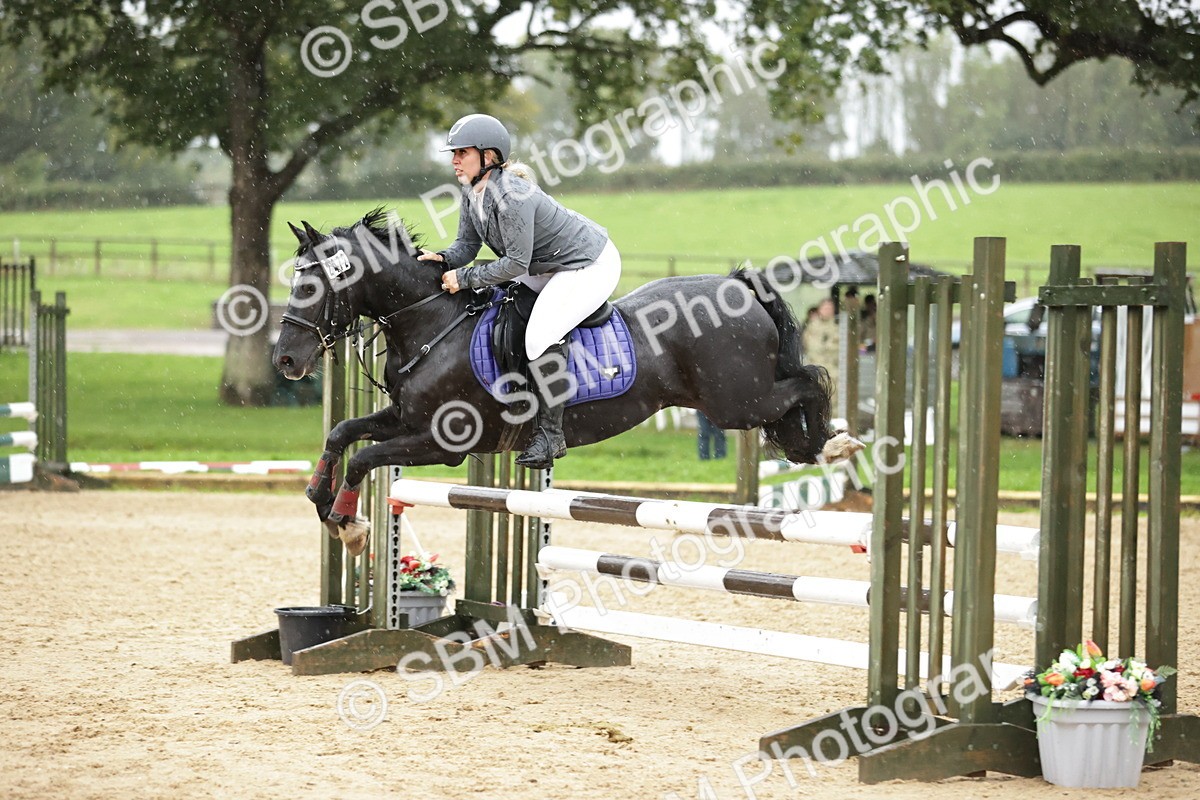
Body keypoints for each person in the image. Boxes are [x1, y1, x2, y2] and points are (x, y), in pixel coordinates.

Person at [417, 114, 622, 469]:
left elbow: (514, 264)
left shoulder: (511, 194)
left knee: (540, 334)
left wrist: (464, 280)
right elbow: (466, 246)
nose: (453, 160)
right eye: (454, 153)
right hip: (544, 267)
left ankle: (551, 436)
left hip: (588, 264)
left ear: (488, 156)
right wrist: (442, 258)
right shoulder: (473, 193)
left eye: (461, 152)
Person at [802, 296, 840, 404]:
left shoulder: (837, 327)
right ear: (819, 309)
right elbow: (808, 345)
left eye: (829, 308)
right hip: (815, 370)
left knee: (832, 401)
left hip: (832, 371)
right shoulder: (812, 326)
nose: (827, 311)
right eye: (825, 308)